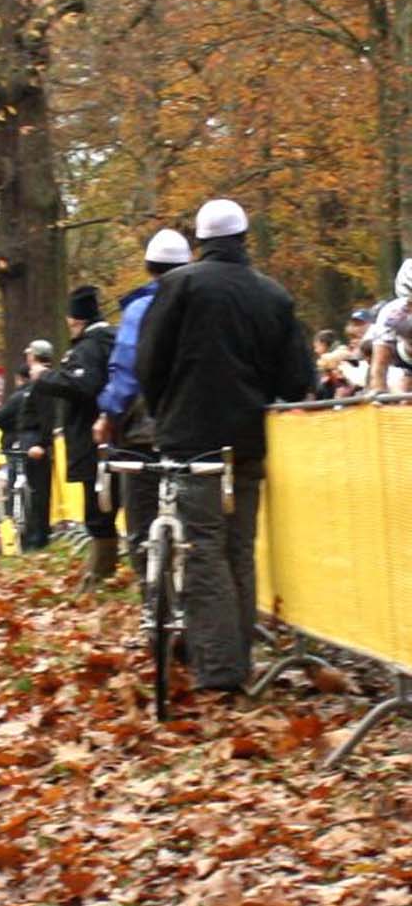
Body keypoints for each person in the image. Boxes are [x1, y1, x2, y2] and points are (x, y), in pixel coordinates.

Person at [136, 197, 315, 696]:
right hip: (250, 441)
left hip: (192, 439)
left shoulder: (179, 286)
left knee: (203, 548)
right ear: (244, 238)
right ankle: (240, 659)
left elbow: (150, 362)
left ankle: (219, 670)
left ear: (200, 241)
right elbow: (298, 377)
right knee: (239, 548)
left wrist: (161, 410)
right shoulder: (274, 296)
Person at [92, 228, 193, 583]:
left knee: (142, 514)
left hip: (141, 429)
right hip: (194, 425)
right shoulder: (202, 303)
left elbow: (126, 366)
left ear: (149, 267)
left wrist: (108, 414)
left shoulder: (140, 308)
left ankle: (152, 597)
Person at [32, 287, 118, 586]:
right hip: (112, 436)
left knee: (97, 506)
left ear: (76, 319)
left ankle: (101, 572)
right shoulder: (112, 339)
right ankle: (104, 566)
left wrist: (46, 378)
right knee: (105, 502)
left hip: (92, 437)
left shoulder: (89, 347)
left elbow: (84, 385)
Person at [0, 340, 54, 551]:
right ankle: (30, 539)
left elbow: (47, 414)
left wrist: (43, 443)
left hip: (35, 443)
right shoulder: (33, 384)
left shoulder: (43, 379)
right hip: (27, 441)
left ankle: (36, 541)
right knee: (30, 491)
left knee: (37, 494)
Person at [367, 259, 412, 395]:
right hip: (405, 357)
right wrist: (378, 391)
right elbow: (379, 362)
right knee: (402, 388)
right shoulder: (392, 313)